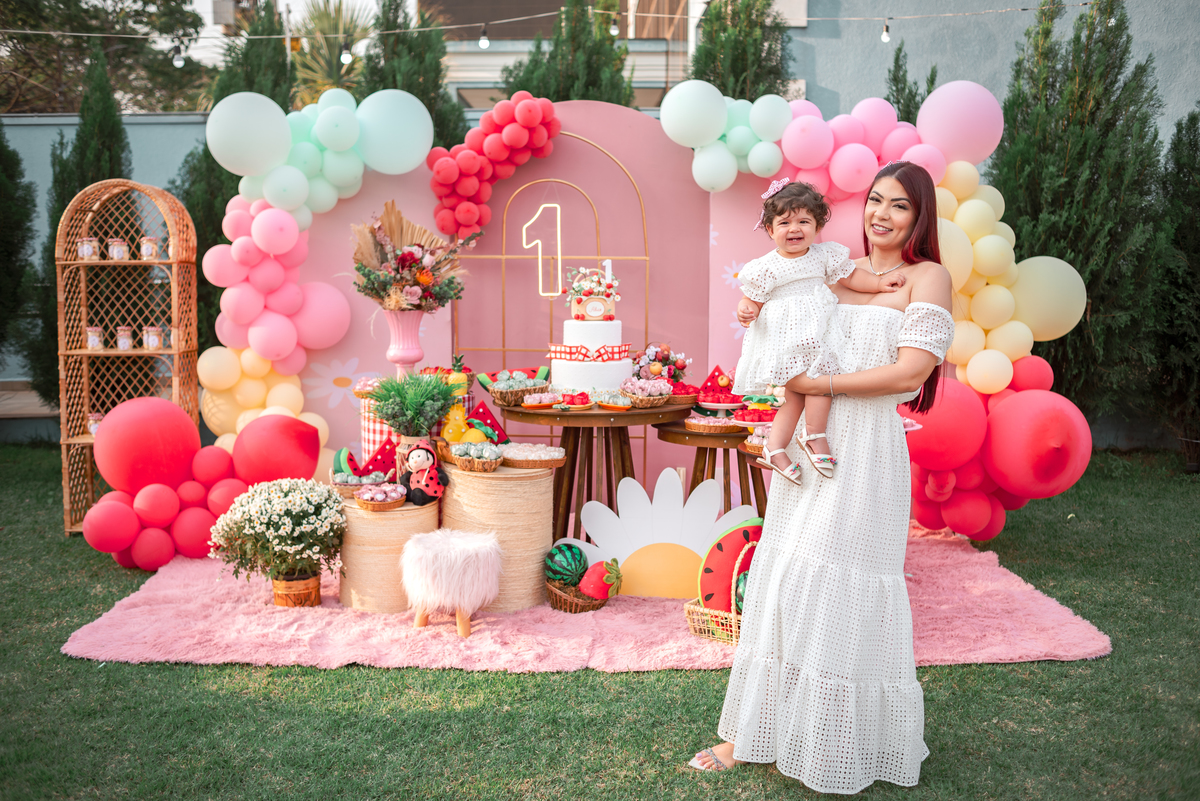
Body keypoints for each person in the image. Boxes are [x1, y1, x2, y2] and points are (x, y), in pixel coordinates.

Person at [691, 161, 955, 795]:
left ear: (919, 217)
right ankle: (753, 732)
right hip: (811, 448)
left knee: (840, 584)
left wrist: (816, 385)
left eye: (899, 205)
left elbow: (909, 374)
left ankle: (839, 739)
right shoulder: (829, 268)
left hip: (864, 450)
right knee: (785, 579)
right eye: (874, 200)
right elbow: (783, 328)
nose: (881, 214)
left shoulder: (928, 278)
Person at [733, 179, 906, 486]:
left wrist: (879, 283)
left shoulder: (823, 256)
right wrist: (746, 310)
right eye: (784, 222)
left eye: (804, 221)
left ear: (817, 226)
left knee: (798, 397)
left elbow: (852, 277)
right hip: (787, 338)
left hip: (817, 334)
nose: (794, 228)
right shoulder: (767, 267)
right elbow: (753, 299)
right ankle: (814, 436)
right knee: (815, 386)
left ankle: (775, 447)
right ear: (770, 230)